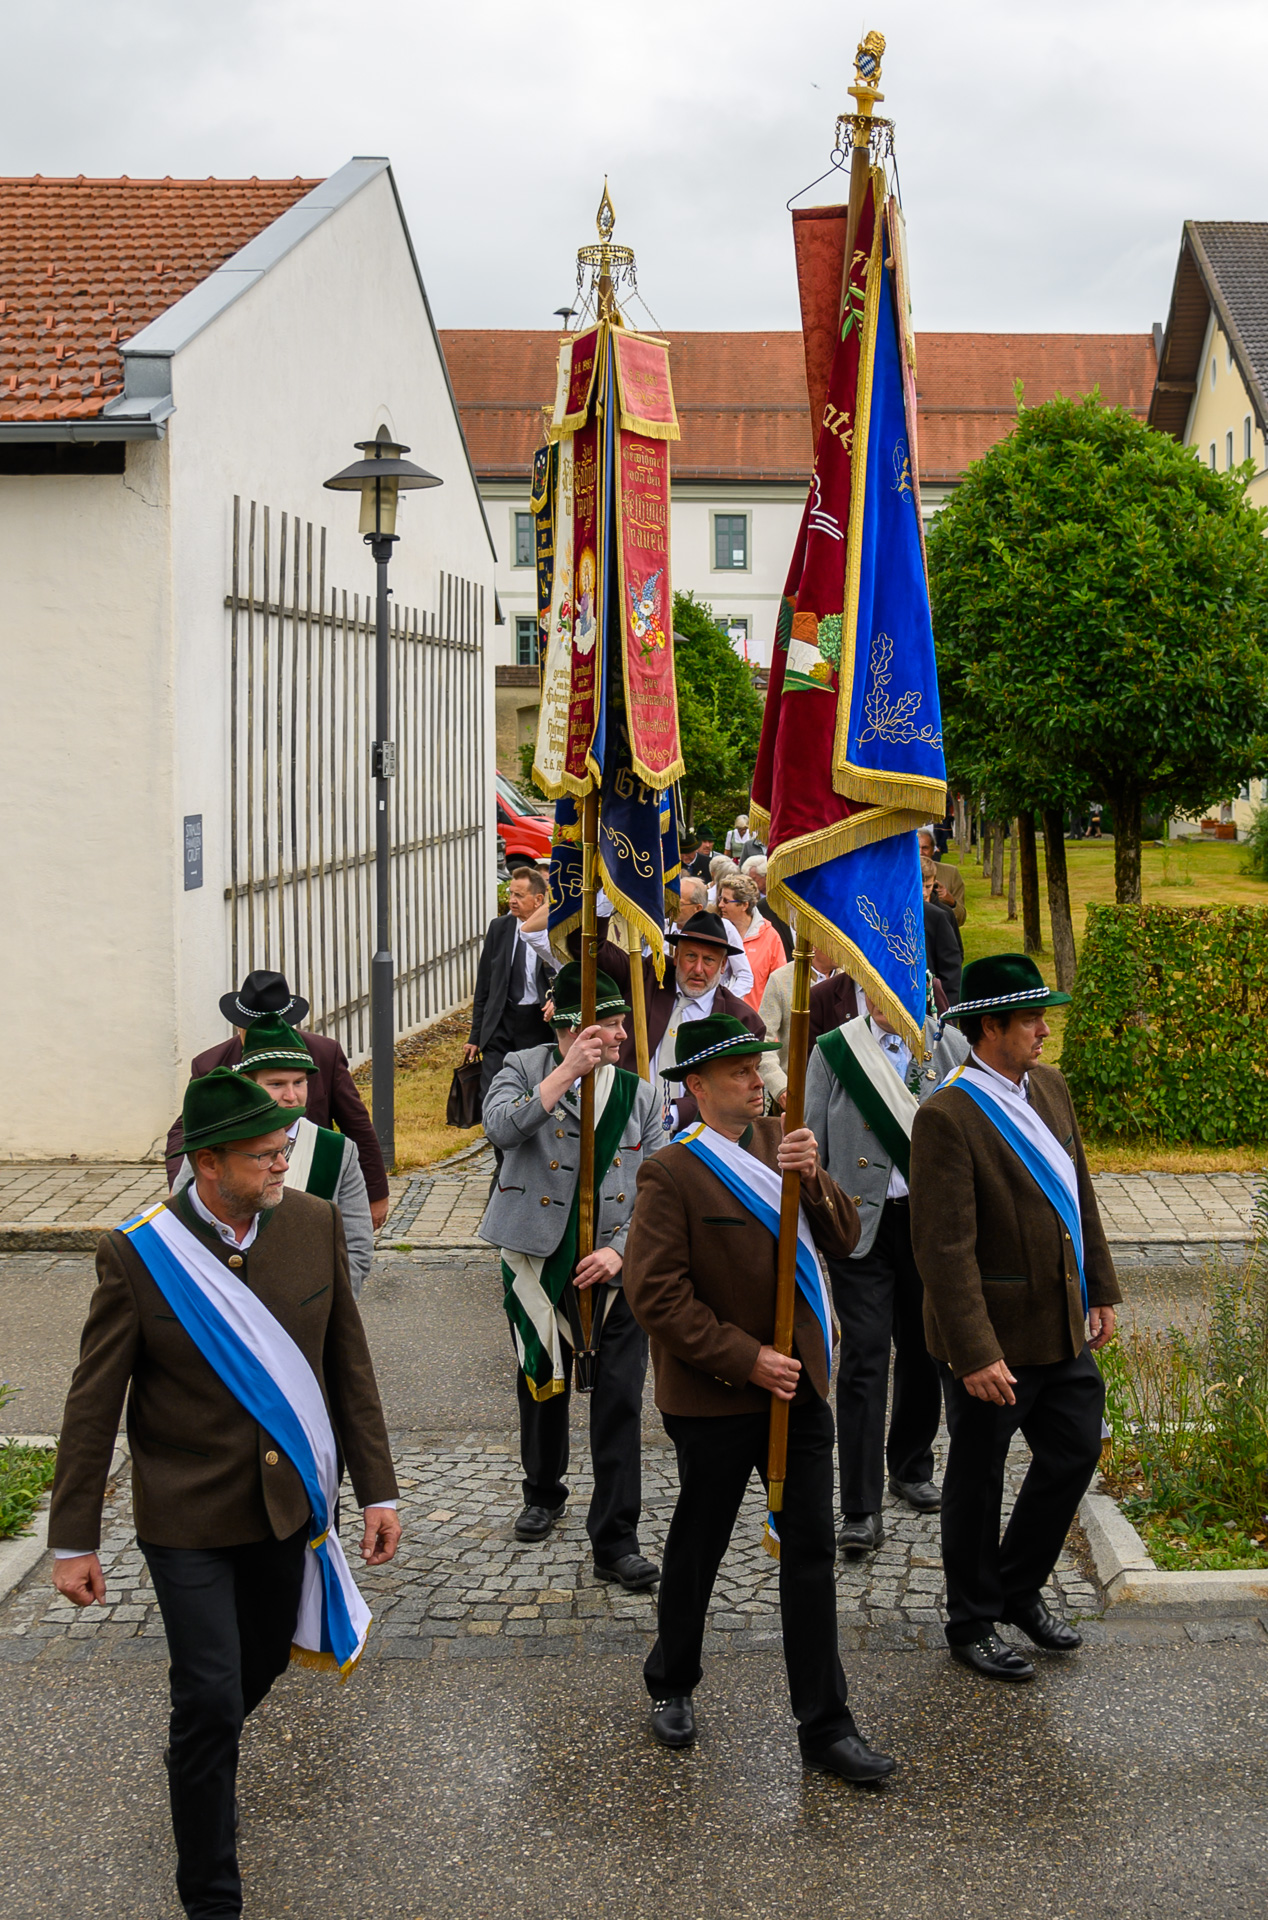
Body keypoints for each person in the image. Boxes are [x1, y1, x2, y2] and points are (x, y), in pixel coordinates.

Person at [50, 1067, 400, 1919]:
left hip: (286, 1510)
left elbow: (347, 1366)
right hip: (187, 1514)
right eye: (263, 1155)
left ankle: (196, 1760)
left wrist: (379, 1491)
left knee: (262, 1662)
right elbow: (93, 1403)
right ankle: (211, 1895)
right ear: (207, 1164)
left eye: (284, 1149)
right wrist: (73, 1539)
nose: (283, 1163)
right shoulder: (139, 1255)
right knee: (207, 1696)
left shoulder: (312, 1224)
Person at [623, 1015, 894, 1782]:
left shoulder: (784, 1141)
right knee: (700, 1543)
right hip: (714, 1396)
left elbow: (845, 1239)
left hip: (800, 1389)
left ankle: (826, 1727)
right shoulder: (671, 1172)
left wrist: (818, 1181)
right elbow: (656, 1295)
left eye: (757, 1066)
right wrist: (747, 1360)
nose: (757, 1079)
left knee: (811, 1553)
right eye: (739, 1071)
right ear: (698, 1086)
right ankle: (672, 1680)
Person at [909, 954, 1121, 1682]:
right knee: (978, 1480)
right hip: (990, 1339)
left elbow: (1078, 1192)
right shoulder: (947, 1115)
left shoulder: (1050, 1087)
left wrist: (1100, 1288)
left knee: (1076, 1451)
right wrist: (973, 1353)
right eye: (1031, 1018)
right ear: (989, 1028)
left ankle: (1017, 1588)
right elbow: (943, 1249)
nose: (1043, 1030)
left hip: (1058, 1322)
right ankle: (971, 1621)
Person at [478, 963, 664, 1589]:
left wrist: (623, 1251)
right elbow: (500, 1128)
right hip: (537, 1254)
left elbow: (657, 1189)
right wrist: (564, 1075)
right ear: (574, 1028)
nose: (622, 1036)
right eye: (611, 1025)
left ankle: (616, 1539)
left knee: (620, 1399)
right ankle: (543, 1490)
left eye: (622, 1024)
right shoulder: (522, 1066)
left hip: (613, 1266)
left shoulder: (640, 1095)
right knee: (542, 1381)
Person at [805, 989, 968, 1557]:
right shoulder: (834, 1050)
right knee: (866, 1357)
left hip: (929, 1225)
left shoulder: (949, 1045)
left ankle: (910, 1466)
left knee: (925, 1350)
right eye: (872, 987)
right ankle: (859, 1507)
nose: (882, 998)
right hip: (859, 1228)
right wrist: (819, 1226)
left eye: (893, 985)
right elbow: (813, 1144)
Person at [163, 969, 390, 1229]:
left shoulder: (324, 1053)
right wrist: (182, 1185)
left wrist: (376, 1194)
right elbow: (186, 1130)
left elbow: (356, 1124)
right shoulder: (211, 1064)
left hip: (313, 1176)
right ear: (238, 1024)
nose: (291, 1094)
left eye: (299, 1082)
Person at [170, 1014, 375, 1297]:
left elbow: (356, 1246)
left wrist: (329, 1306)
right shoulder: (219, 1143)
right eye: (276, 1084)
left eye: (299, 1082)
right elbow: (180, 1220)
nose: (291, 1096)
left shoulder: (337, 1149)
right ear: (248, 1084)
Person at [590, 910, 767, 1133]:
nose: (698, 969)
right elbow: (592, 949)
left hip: (693, 1133)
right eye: (691, 956)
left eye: (709, 960)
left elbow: (734, 1094)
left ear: (723, 966)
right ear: (676, 955)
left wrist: (672, 1114)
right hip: (621, 1116)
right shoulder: (646, 977)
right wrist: (604, 902)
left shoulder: (742, 1021)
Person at [465, 866, 559, 1116]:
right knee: (491, 1093)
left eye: (519, 895)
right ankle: (497, 1141)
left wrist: (556, 999)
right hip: (501, 1022)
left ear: (538, 899)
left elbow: (565, 973)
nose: (512, 900)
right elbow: (484, 984)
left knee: (533, 1092)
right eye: (510, 893)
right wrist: (475, 1036)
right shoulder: (499, 928)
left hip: (537, 1023)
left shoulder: (553, 929)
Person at [756, 945, 836, 1110]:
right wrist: (782, 1087)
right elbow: (763, 1041)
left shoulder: (851, 980)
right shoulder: (781, 979)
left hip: (838, 1098)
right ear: (815, 943)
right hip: (793, 1099)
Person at [718, 872, 787, 1013]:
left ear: (744, 905)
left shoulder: (770, 937)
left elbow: (780, 986)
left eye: (726, 901)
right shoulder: (717, 930)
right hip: (718, 1015)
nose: (720, 905)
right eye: (720, 899)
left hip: (752, 1019)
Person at [922, 856, 963, 1007]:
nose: (924, 892)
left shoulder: (943, 914)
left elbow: (954, 958)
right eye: (919, 886)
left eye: (928, 886)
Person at [742, 854, 794, 959]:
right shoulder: (756, 904)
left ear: (766, 876)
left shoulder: (782, 898)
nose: (749, 884)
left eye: (753, 879)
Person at [917, 826, 967, 928]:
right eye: (916, 848)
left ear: (933, 850)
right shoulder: (901, 876)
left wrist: (951, 902)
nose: (920, 852)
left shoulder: (951, 873)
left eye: (925, 848)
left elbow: (961, 918)